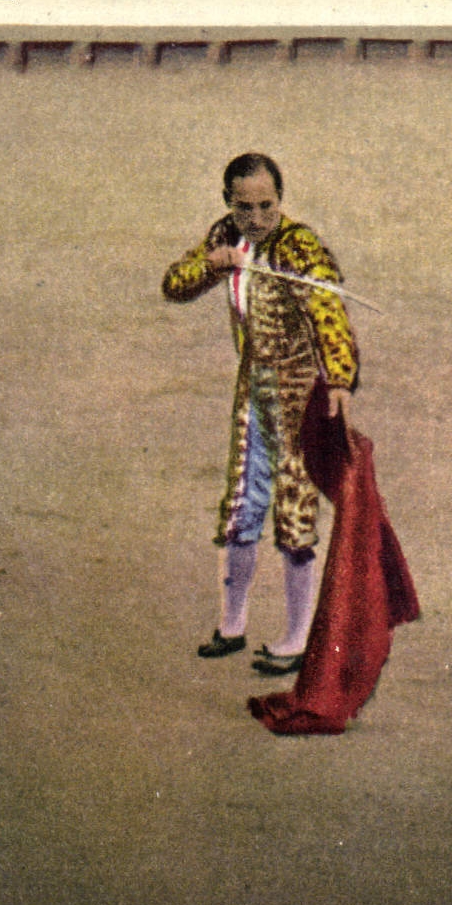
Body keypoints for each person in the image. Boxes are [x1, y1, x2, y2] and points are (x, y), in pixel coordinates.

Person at [162, 152, 359, 676]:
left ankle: (297, 637)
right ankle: (232, 625)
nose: (255, 217)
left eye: (266, 206)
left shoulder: (300, 246)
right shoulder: (224, 235)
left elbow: (329, 312)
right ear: (229, 202)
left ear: (280, 200)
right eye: (244, 207)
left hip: (298, 395)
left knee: (295, 509)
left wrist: (339, 378)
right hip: (253, 389)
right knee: (242, 504)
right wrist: (212, 263)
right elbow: (174, 284)